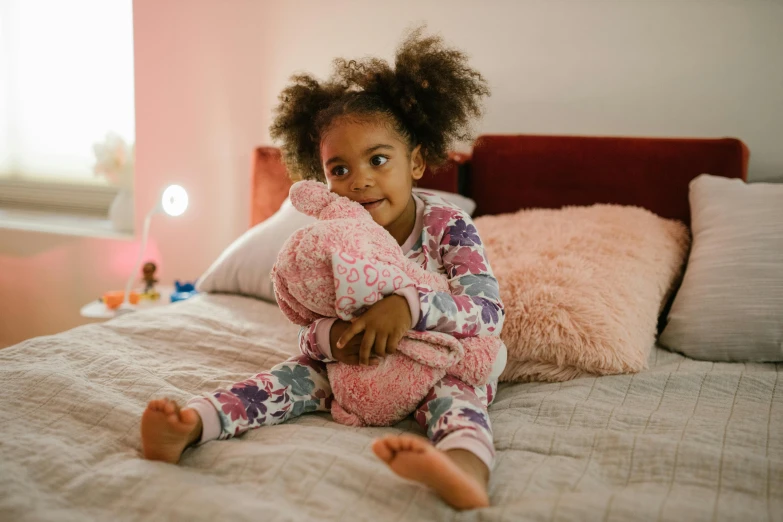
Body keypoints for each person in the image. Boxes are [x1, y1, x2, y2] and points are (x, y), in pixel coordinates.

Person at [140, 27, 505, 511]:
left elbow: (487, 312)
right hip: (353, 367)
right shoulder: (331, 238)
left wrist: (407, 307)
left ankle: (463, 469)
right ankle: (194, 424)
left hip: (439, 362)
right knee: (286, 379)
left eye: (378, 159)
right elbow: (306, 328)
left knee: (462, 401)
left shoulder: (446, 224)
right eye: (339, 169)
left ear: (415, 161)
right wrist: (332, 340)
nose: (360, 181)